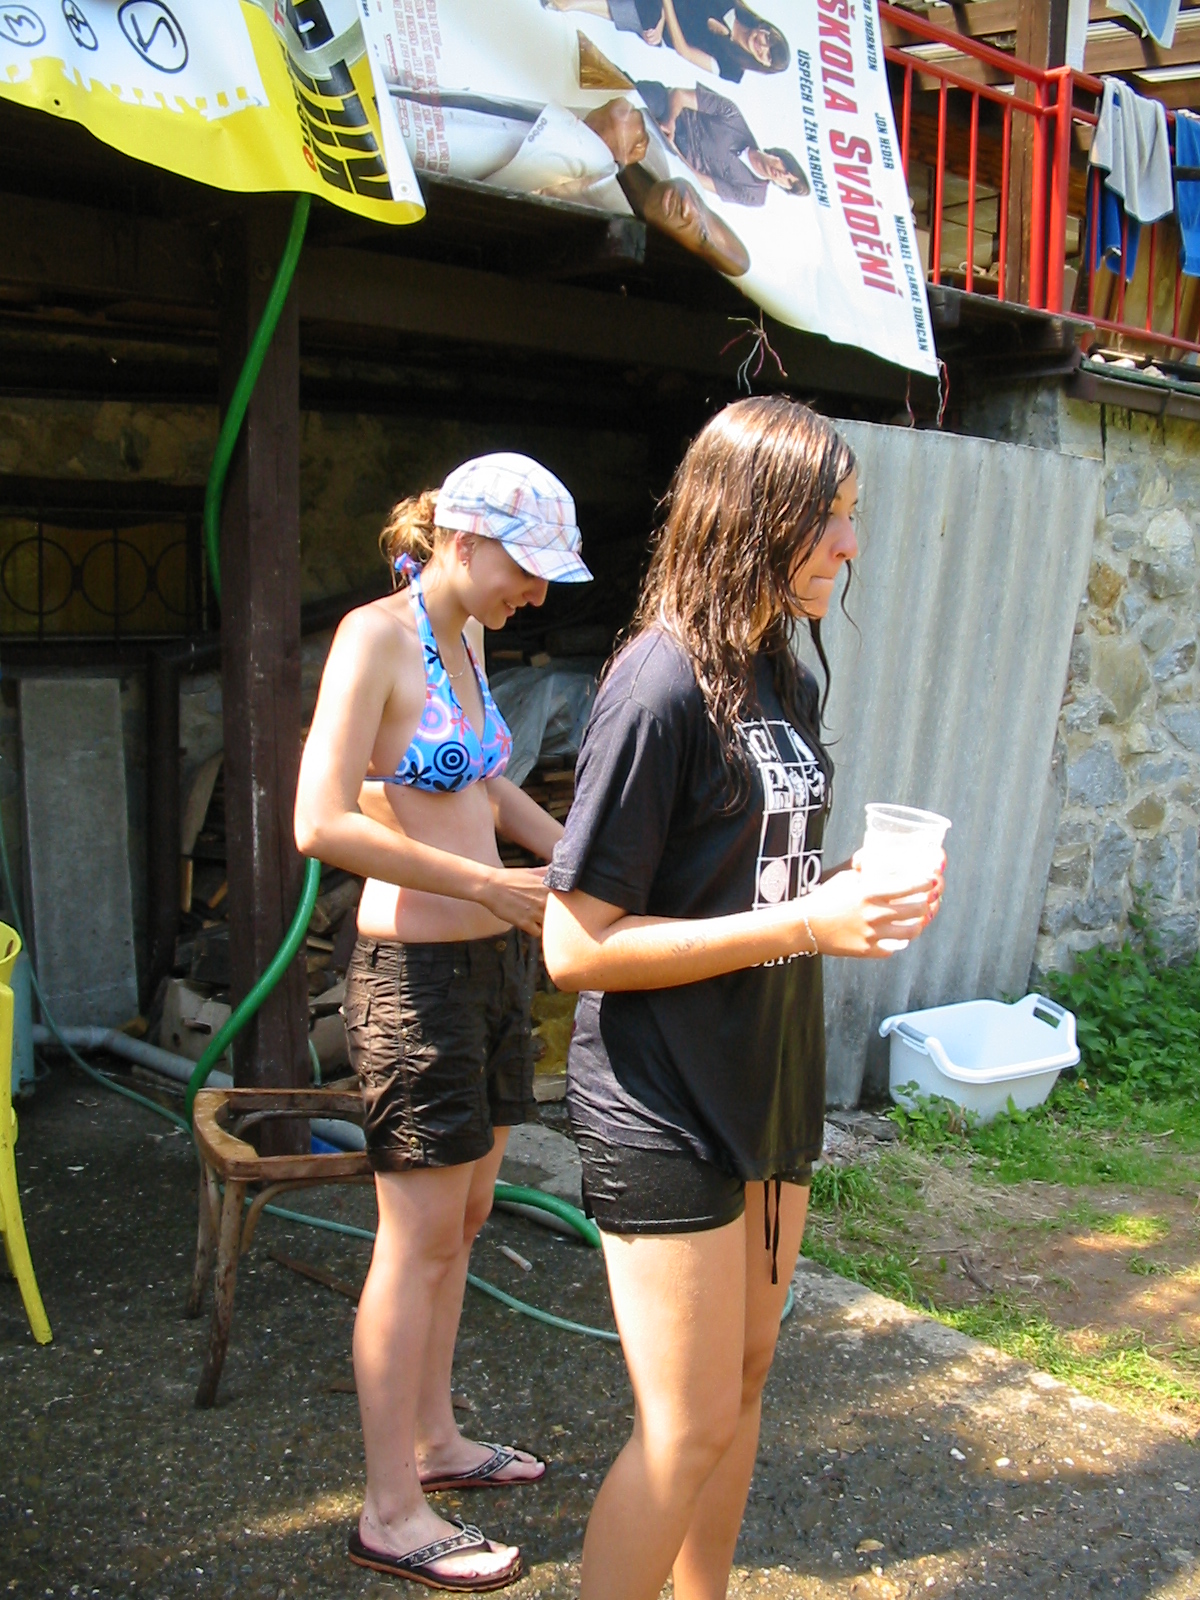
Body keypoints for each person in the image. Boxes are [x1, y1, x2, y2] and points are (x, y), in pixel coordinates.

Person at [540, 398, 944, 1600]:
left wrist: (841, 887)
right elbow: (574, 944)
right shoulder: (657, 683)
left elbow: (746, 877)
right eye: (829, 518)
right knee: (685, 1425)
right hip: (660, 1096)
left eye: (852, 517)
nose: (850, 546)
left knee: (747, 1380)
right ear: (750, 518)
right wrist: (805, 924)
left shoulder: (780, 671)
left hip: (766, 1070)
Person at [294, 453, 592, 1592]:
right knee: (413, 1242)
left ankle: (435, 1439)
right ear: (463, 541)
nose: (539, 593)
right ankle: (389, 1510)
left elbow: (484, 790)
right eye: (528, 568)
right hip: (414, 978)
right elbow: (321, 822)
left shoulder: (465, 639)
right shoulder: (372, 638)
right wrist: (484, 886)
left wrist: (575, 863)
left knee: (463, 1222)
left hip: (493, 971)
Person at [639, 81, 809, 205]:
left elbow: (698, 179)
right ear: (779, 156)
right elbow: (679, 95)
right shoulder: (733, 116)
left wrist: (673, 148)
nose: (782, 175)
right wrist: (670, 122)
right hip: (672, 113)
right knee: (643, 97)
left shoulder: (754, 195)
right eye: (786, 169)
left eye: (789, 182)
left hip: (678, 157)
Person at [545, 0, 789, 82]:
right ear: (764, 28)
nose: (762, 46)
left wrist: (665, 8)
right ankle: (567, 3)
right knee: (650, 17)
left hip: (663, 22)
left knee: (650, 22)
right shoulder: (734, 5)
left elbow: (683, 50)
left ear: (763, 65)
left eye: (768, 55)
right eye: (768, 39)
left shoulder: (732, 69)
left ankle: (569, 3)